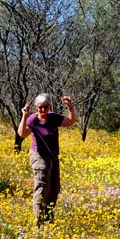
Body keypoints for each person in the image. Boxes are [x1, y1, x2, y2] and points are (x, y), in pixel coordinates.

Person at [18, 93, 77, 226]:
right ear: (36, 108)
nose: (43, 110)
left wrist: (71, 108)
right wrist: (24, 115)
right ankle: (38, 223)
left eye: (45, 107)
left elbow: (70, 122)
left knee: (54, 189)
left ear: (49, 106)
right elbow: (22, 133)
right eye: (40, 107)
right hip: (39, 156)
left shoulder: (53, 118)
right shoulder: (32, 119)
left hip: (53, 156)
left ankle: (48, 220)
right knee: (42, 188)